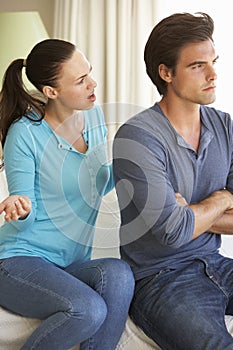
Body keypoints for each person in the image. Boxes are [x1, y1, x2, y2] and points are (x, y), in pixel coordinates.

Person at [0, 38, 134, 350]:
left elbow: (100, 181)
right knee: (87, 309)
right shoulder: (26, 134)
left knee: (118, 273)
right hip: (19, 260)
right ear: (51, 92)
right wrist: (19, 207)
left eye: (89, 72)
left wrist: (138, 169)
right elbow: (24, 216)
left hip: (68, 263)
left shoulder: (94, 116)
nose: (93, 83)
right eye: (81, 80)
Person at [113, 12, 233, 350]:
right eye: (197, 66)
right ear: (166, 73)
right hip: (161, 281)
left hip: (216, 265)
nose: (213, 75)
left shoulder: (224, 125)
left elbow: (182, 224)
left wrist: (192, 214)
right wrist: (222, 199)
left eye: (214, 62)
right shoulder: (137, 137)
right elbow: (172, 232)